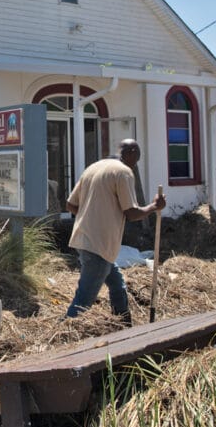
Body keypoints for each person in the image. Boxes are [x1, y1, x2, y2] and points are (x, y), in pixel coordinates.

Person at [64, 139, 165, 324]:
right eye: (137, 157)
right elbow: (132, 213)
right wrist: (154, 206)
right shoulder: (123, 172)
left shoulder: (93, 168)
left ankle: (124, 324)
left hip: (85, 239)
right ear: (132, 152)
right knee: (84, 300)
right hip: (99, 245)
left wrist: (92, 217)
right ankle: (63, 335)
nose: (136, 162)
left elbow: (70, 205)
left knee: (117, 285)